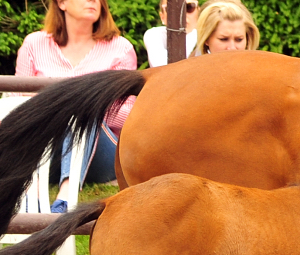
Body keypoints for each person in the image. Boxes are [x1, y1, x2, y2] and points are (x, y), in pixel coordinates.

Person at [14, 0, 137, 209]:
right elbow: (16, 105)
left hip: (102, 155)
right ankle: (31, 194)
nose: (93, 1)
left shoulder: (120, 48)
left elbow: (129, 114)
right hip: (46, 151)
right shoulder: (34, 44)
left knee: (84, 111)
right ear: (61, 3)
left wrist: (82, 103)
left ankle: (65, 199)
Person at [191, 0, 259, 56]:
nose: (232, 48)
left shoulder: (260, 70)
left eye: (239, 39)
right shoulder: (190, 69)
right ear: (206, 39)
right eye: (223, 39)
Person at [144, 0, 200, 67]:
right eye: (172, 10)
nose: (182, 14)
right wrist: (195, 33)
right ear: (162, 17)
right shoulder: (154, 35)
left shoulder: (210, 35)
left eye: (189, 7)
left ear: (198, 12)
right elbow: (164, 67)